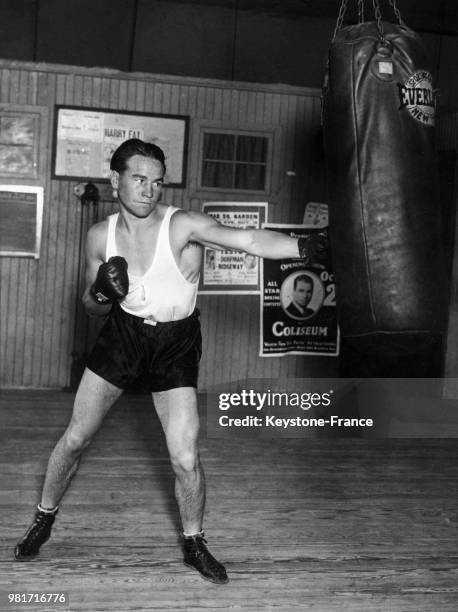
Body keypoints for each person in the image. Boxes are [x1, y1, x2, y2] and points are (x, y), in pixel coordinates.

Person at [14, 139, 326, 584]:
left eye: (157, 182)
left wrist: (307, 249)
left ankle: (194, 543)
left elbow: (249, 239)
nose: (148, 190)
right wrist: (103, 291)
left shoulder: (182, 226)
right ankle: (44, 517)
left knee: (184, 456)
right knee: (76, 438)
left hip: (175, 343)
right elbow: (91, 306)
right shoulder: (100, 235)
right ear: (115, 180)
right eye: (139, 179)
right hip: (122, 339)